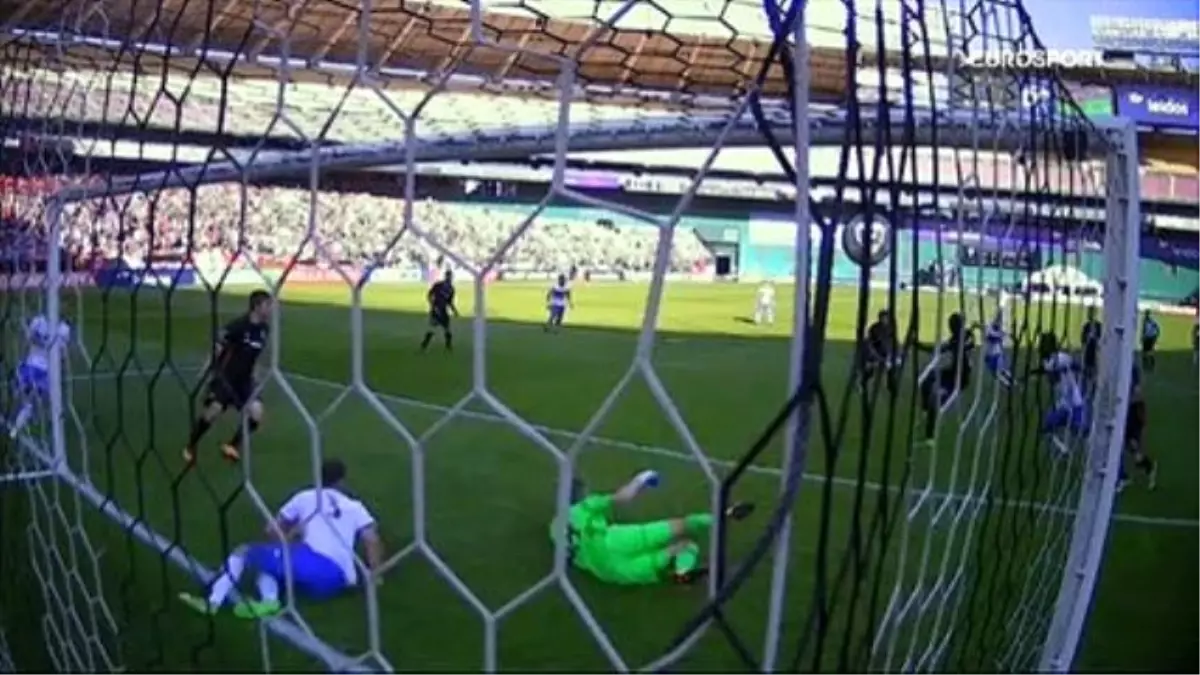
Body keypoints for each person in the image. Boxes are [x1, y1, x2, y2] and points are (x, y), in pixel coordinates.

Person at [177, 459, 383, 619]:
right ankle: (269, 602)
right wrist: (374, 575)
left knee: (245, 552)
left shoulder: (305, 497)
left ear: (319, 478)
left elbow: (271, 531)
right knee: (270, 562)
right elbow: (371, 540)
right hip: (339, 581)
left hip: (313, 565)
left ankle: (212, 602)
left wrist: (293, 534)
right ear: (342, 480)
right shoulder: (354, 506)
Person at [552, 471, 754, 586]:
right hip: (615, 541)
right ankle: (725, 515)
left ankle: (681, 573)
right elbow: (623, 497)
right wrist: (642, 478)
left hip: (609, 573)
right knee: (680, 525)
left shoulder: (554, 528)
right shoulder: (583, 507)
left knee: (685, 547)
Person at [183, 290, 272, 464]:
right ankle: (190, 446)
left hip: (245, 381)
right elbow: (218, 348)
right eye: (268, 306)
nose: (271, 310)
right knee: (212, 413)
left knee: (256, 414)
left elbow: (255, 356)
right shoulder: (238, 326)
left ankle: (231, 446)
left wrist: (256, 378)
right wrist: (207, 369)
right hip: (226, 378)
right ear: (257, 306)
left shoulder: (264, 330)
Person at [7, 314, 71, 439]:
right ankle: (28, 419)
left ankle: (19, 425)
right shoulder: (42, 322)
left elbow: (62, 354)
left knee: (32, 400)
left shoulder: (61, 328)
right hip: (35, 368)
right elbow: (29, 342)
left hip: (42, 371)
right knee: (29, 398)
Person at [916, 313, 976, 442]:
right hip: (952, 372)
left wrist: (918, 345)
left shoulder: (959, 340)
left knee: (935, 398)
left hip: (959, 378)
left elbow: (939, 350)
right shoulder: (963, 336)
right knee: (928, 378)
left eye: (951, 325)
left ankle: (930, 436)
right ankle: (926, 410)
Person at [1028, 333, 1088, 456]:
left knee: (1080, 431)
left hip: (1075, 403)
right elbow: (1050, 370)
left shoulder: (1059, 358)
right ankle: (1063, 450)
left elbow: (1055, 372)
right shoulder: (1052, 359)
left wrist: (1084, 370)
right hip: (1063, 404)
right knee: (1046, 428)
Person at [1117, 363, 1157, 492]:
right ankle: (1123, 477)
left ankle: (1149, 468)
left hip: (1132, 414)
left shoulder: (1131, 369)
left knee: (1133, 451)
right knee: (1123, 447)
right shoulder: (1122, 368)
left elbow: (1138, 394)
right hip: (1126, 412)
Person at [420, 269, 459, 352]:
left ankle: (447, 347)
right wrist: (432, 304)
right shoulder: (439, 285)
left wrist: (454, 310)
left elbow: (449, 301)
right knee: (434, 327)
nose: (450, 278)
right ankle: (425, 345)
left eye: (450, 276)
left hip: (443, 310)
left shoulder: (451, 288)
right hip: (436, 309)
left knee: (446, 328)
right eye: (449, 276)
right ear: (446, 276)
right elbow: (430, 294)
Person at [860, 310, 898, 392]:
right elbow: (870, 342)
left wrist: (892, 353)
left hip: (886, 354)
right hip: (875, 354)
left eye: (886, 318)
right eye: (883, 318)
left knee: (890, 370)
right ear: (880, 318)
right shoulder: (874, 328)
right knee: (870, 370)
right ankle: (863, 384)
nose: (885, 319)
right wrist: (873, 354)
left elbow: (892, 341)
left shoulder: (890, 328)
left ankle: (891, 387)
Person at [980, 307, 1012, 387]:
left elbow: (992, 338)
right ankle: (1011, 383)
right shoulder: (992, 328)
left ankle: (1009, 384)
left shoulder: (997, 330)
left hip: (994, 354)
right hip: (991, 354)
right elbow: (990, 336)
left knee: (998, 373)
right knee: (1000, 371)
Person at [1079, 307, 1102, 389]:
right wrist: (1088, 338)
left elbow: (1101, 342)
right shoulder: (1086, 326)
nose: (1089, 315)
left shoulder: (1099, 326)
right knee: (1087, 374)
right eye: (1089, 313)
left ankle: (1094, 388)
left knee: (1095, 374)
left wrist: (1095, 338)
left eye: (1091, 313)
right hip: (1088, 354)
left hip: (1096, 354)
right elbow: (1083, 342)